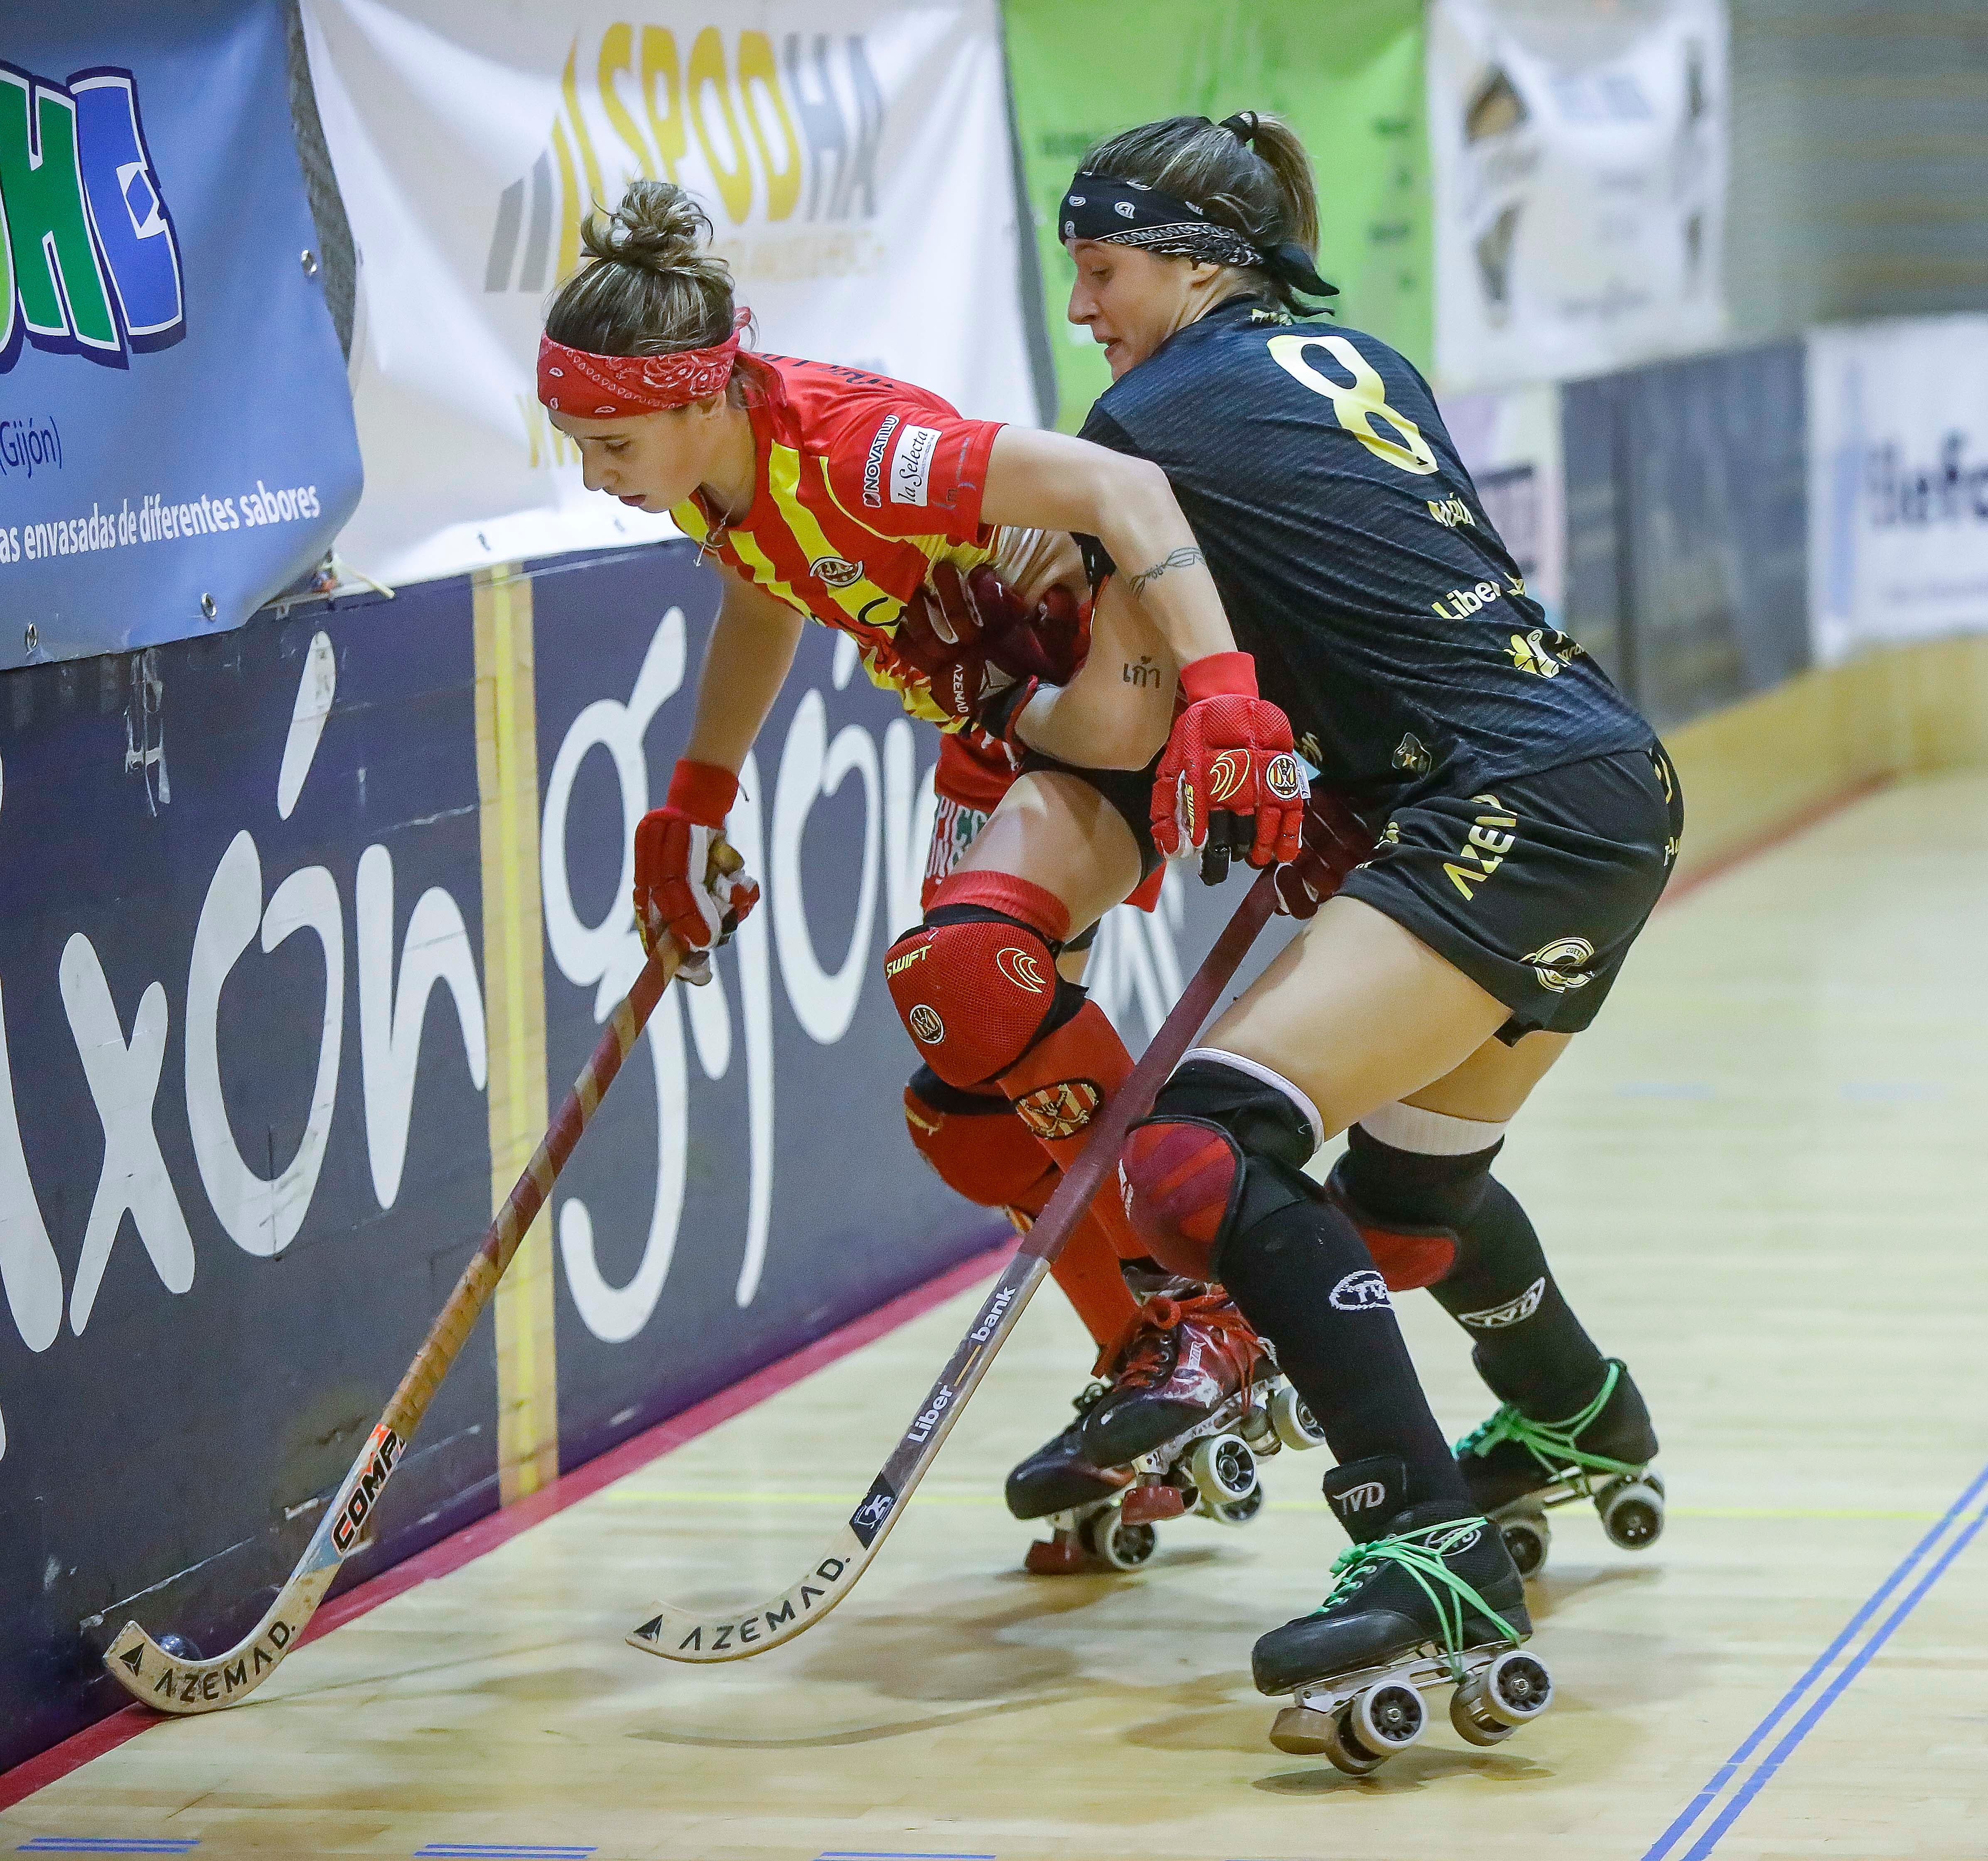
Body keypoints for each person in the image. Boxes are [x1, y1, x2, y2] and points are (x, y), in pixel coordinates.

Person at [1013, 112, 1679, 1737]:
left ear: (1188, 261)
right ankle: (1576, 1415)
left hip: (1499, 806)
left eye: (1101, 270)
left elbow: (1116, 721)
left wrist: (991, 686)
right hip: (1606, 778)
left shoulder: (1151, 417)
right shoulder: (1361, 356)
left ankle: (1427, 1541)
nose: (1086, 307)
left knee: (1198, 1157)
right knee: (1400, 1199)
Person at [536, 180, 1311, 1561]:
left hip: (1108, 690)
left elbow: (1125, 487)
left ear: (703, 394)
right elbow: (768, 589)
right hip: (1007, 712)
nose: (594, 472)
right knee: (964, 1092)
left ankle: (1207, 1321)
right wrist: (696, 798)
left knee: (967, 967)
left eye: (611, 440)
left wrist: (1228, 688)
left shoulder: (855, 449)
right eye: (575, 442)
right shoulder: (722, 472)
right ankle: (1158, 1370)